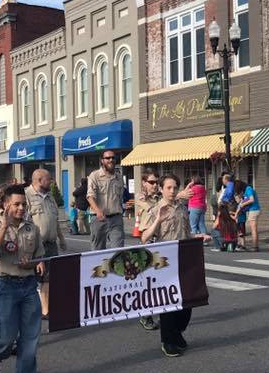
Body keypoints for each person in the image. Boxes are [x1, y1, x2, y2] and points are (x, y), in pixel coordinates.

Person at [0, 184, 45, 373]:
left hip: (28, 285)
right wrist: (4, 227)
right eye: (16, 204)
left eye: (23, 204)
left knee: (30, 335)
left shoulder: (32, 228)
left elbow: (40, 254)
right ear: (6, 205)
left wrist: (36, 263)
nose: (21, 208)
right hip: (7, 285)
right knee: (7, 337)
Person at [141, 174, 206, 357]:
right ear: (161, 189)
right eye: (168, 187)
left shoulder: (182, 208)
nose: (172, 191)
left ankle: (176, 332)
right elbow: (144, 237)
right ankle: (168, 341)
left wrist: (199, 237)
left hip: (184, 257)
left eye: (175, 187)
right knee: (168, 304)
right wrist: (158, 221)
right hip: (164, 261)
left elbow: (187, 233)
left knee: (188, 302)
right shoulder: (155, 209)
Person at [25, 169, 66, 319]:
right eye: (49, 179)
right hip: (34, 246)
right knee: (30, 278)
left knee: (48, 277)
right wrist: (35, 249)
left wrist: (61, 239)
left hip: (51, 244)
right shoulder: (27, 196)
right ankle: (29, 310)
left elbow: (54, 221)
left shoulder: (50, 197)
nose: (52, 181)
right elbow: (24, 223)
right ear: (39, 180)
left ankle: (45, 310)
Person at [134, 168, 162, 331]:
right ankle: (146, 316)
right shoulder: (140, 197)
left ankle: (160, 311)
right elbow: (148, 207)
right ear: (144, 183)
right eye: (151, 182)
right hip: (147, 239)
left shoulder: (159, 197)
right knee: (148, 281)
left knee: (160, 279)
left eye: (157, 182)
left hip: (161, 239)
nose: (154, 185)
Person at [87, 153, 125, 250]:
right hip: (99, 219)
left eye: (113, 157)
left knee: (118, 251)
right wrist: (98, 211)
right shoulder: (94, 176)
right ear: (102, 160)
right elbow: (90, 196)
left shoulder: (119, 177)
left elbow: (121, 197)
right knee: (98, 251)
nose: (111, 160)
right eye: (107, 158)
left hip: (116, 219)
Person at [235, 180, 261, 251]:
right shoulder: (246, 190)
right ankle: (255, 246)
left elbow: (251, 199)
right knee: (253, 228)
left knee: (253, 229)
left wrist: (243, 204)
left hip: (254, 209)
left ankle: (255, 246)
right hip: (252, 210)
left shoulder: (248, 189)